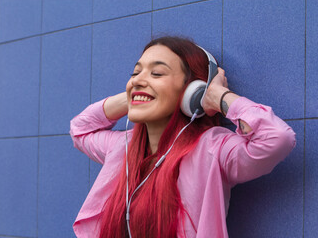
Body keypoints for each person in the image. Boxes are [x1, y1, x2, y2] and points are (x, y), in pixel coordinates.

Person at [70, 36, 296, 238]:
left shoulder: (212, 147)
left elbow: (276, 138)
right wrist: (134, 95)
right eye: (136, 72)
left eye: (157, 73)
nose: (138, 79)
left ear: (192, 91)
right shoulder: (122, 147)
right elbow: (80, 129)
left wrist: (217, 96)